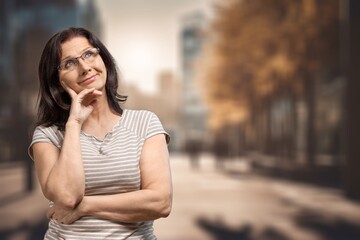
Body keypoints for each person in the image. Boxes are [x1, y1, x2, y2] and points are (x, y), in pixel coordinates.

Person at [28, 27, 172, 239]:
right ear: (57, 81)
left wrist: (85, 206)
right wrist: (74, 123)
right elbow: (67, 197)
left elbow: (160, 202)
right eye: (69, 63)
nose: (85, 67)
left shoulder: (145, 123)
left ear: (103, 59)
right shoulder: (47, 135)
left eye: (89, 54)